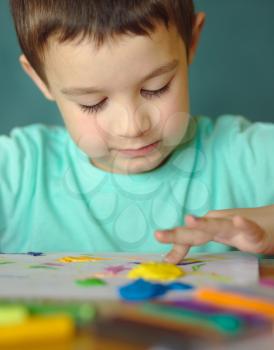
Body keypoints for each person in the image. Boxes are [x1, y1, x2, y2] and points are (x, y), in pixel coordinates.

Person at [1, 0, 273, 263]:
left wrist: (268, 230)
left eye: (156, 88)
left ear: (191, 40)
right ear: (40, 78)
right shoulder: (17, 174)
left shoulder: (250, 158)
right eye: (92, 104)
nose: (132, 127)